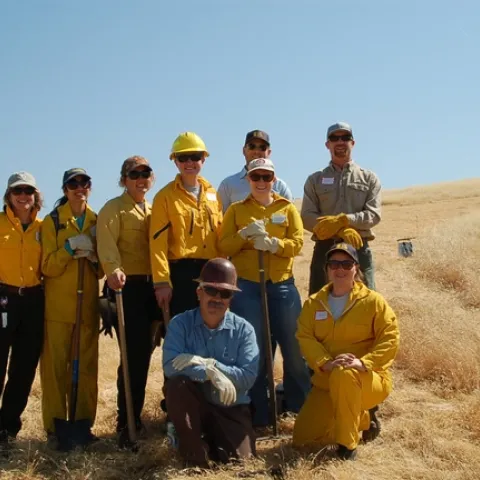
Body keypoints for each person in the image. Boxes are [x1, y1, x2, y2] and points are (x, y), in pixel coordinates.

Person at [219, 158, 311, 427]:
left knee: (293, 348)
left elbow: (297, 243)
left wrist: (274, 244)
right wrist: (244, 235)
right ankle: (259, 412)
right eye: (256, 176)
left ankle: (300, 410)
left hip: (282, 285)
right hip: (247, 287)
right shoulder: (236, 210)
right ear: (248, 179)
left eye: (266, 177)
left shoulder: (287, 207)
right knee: (254, 351)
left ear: (274, 180)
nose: (261, 182)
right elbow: (224, 245)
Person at [293, 242, 399, 460]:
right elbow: (305, 337)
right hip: (327, 380)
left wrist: (364, 363)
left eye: (346, 264)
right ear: (327, 269)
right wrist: (325, 362)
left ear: (356, 268)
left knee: (345, 374)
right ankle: (362, 418)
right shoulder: (313, 303)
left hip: (367, 378)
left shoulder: (373, 301)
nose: (339, 269)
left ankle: (347, 447)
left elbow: (390, 336)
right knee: (304, 439)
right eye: (334, 264)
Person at [163, 258, 259, 468]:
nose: (217, 298)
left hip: (231, 408)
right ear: (199, 292)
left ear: (231, 298)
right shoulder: (180, 324)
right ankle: (194, 457)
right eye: (211, 290)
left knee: (240, 463)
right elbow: (170, 366)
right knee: (177, 385)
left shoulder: (245, 330)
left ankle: (210, 443)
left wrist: (212, 365)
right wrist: (207, 373)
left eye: (224, 293)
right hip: (194, 406)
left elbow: (248, 376)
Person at [96, 156, 161, 448]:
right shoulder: (113, 209)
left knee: (153, 355)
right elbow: (106, 244)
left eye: (145, 174)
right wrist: (113, 269)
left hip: (155, 288)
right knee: (133, 358)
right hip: (127, 289)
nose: (140, 179)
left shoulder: (155, 209)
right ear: (124, 180)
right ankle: (127, 424)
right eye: (134, 175)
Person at [40, 168, 102, 450]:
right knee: (56, 371)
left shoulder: (97, 221)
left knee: (86, 368)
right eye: (73, 184)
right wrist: (68, 249)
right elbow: (47, 267)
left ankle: (83, 424)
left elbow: (102, 270)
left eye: (84, 183)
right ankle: (55, 428)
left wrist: (93, 257)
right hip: (58, 309)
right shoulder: (52, 222)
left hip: (86, 308)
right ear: (65, 189)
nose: (79, 188)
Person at [301, 122, 381, 293]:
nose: (340, 141)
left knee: (366, 302)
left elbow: (373, 215)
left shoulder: (369, 178)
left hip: (358, 247)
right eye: (334, 138)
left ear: (353, 142)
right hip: (325, 248)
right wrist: (341, 230)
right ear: (327, 144)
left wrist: (345, 220)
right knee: (319, 302)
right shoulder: (315, 179)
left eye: (345, 137)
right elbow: (307, 217)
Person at [150, 132, 222, 318]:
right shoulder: (164, 197)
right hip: (181, 275)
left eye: (195, 156)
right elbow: (158, 244)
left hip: (212, 273)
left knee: (212, 328)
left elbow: (220, 236)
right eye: (183, 158)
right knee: (185, 329)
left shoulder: (213, 194)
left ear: (203, 159)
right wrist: (162, 282)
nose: (189, 162)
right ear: (175, 161)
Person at [0, 172, 44, 452]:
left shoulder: (44, 227)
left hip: (34, 300)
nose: (23, 195)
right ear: (9, 195)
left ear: (35, 195)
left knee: (24, 368)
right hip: (3, 297)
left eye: (28, 191)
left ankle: (7, 429)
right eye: (18, 191)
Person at [217, 130, 293, 213]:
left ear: (269, 152)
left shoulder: (281, 187)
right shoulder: (228, 185)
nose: (256, 151)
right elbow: (220, 218)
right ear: (244, 151)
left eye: (262, 147)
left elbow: (290, 215)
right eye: (252, 146)